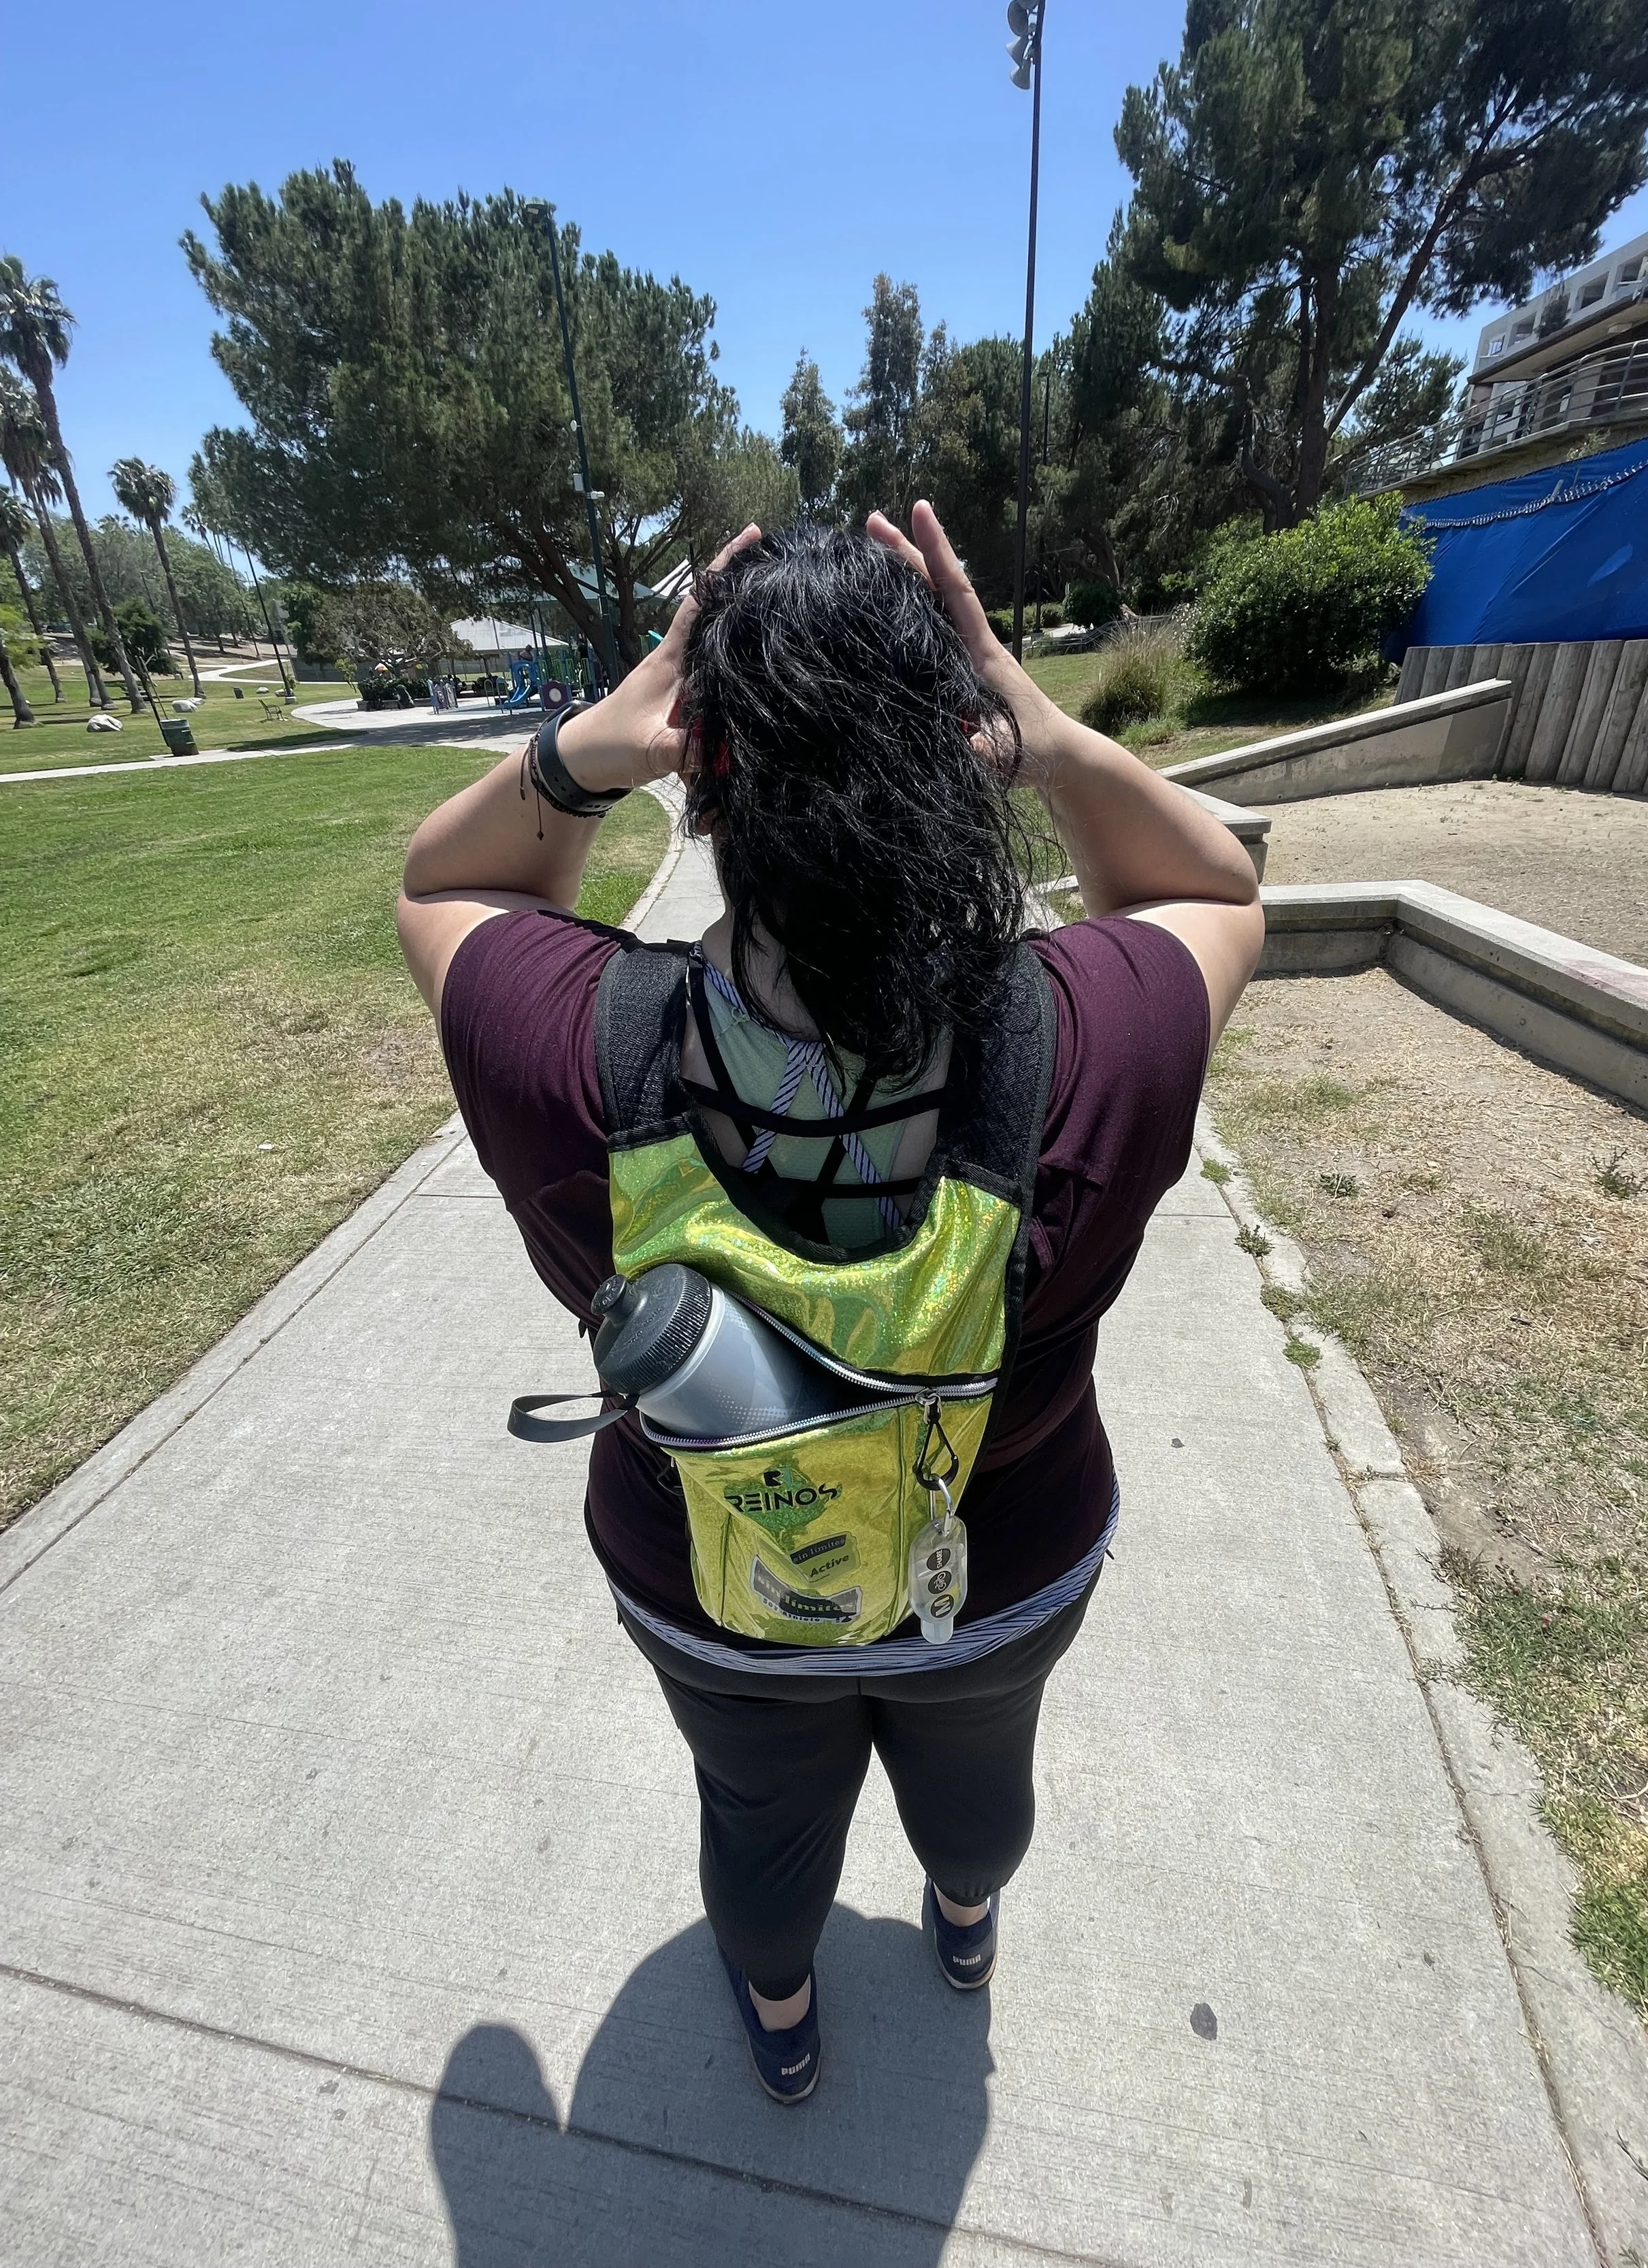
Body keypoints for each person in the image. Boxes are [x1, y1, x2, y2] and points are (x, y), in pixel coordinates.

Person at [397, 504, 1264, 2106]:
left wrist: (591, 748)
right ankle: (960, 1917)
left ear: (701, 765)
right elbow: (1215, 894)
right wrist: (1051, 737)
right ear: (960, 745)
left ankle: (784, 2020)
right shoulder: (1097, 1037)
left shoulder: (564, 1046)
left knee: (756, 1811)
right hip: (994, 1572)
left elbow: (441, 887)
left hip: (710, 1582)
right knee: (979, 1778)